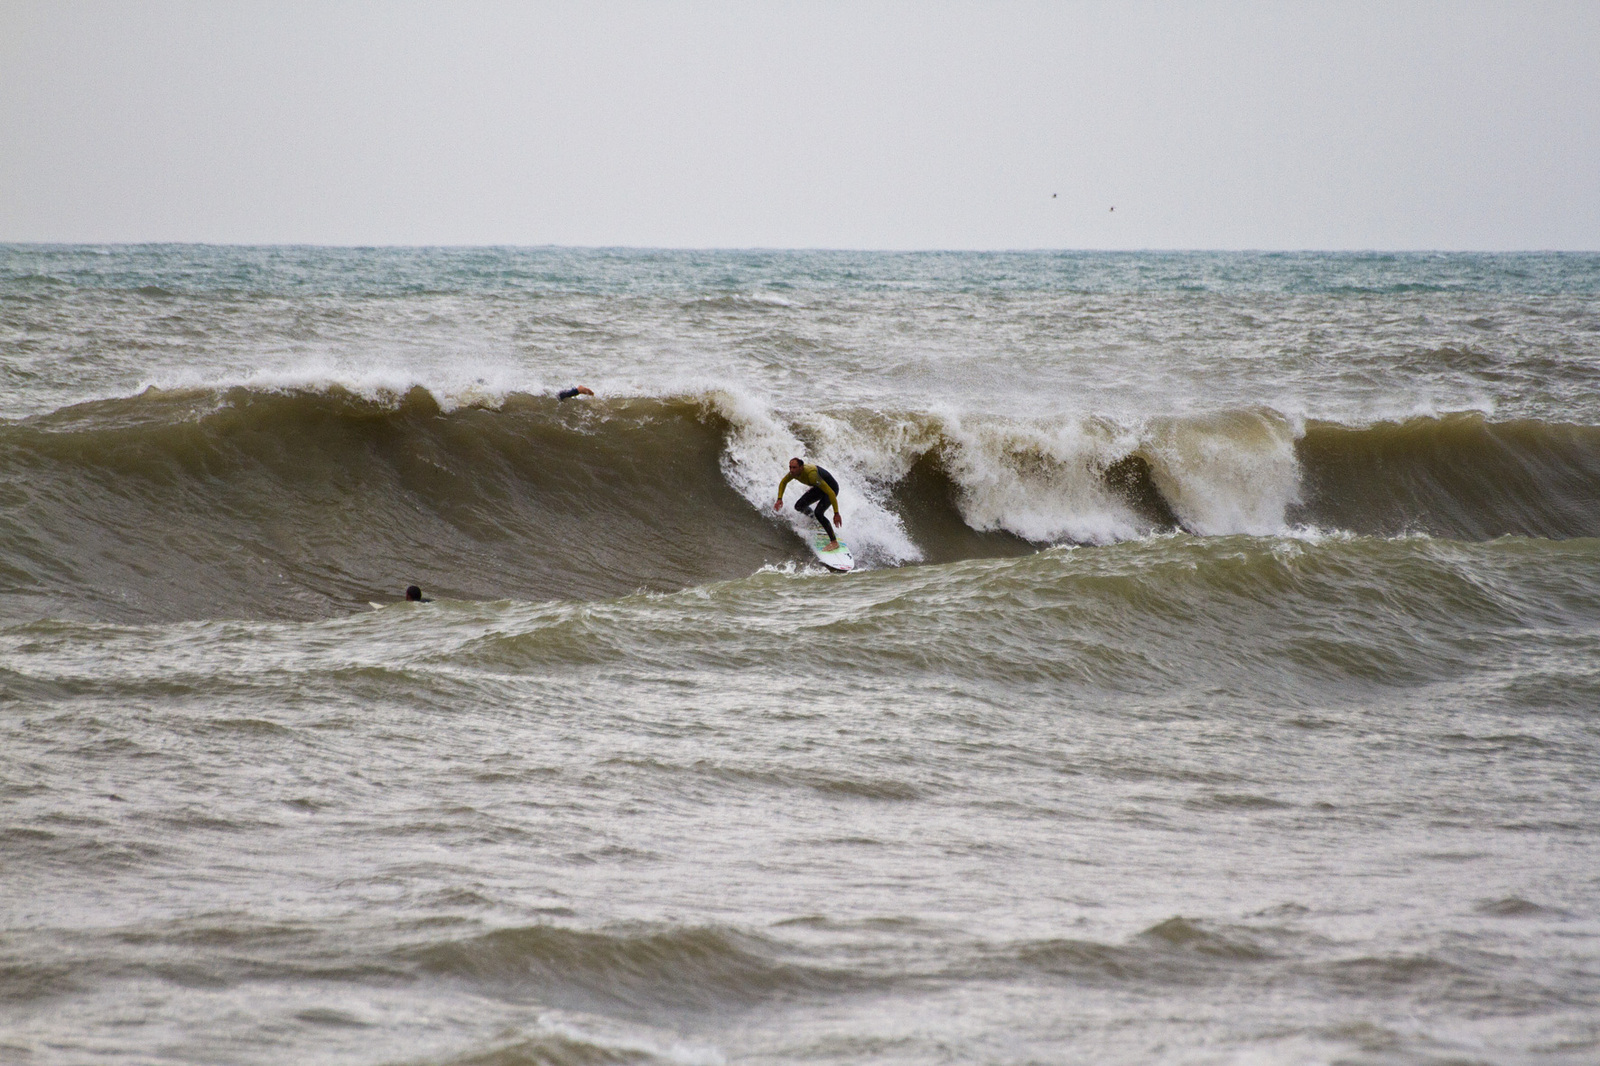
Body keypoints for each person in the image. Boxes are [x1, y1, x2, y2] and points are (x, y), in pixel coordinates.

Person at [774, 457, 843, 549]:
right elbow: (783, 482)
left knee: (819, 513)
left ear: (801, 468)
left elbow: (830, 492)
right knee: (799, 506)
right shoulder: (793, 474)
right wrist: (779, 499)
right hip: (819, 487)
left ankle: (834, 542)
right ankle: (815, 520)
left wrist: (836, 513)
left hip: (831, 489)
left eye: (794, 467)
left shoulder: (811, 475)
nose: (791, 470)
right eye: (790, 467)